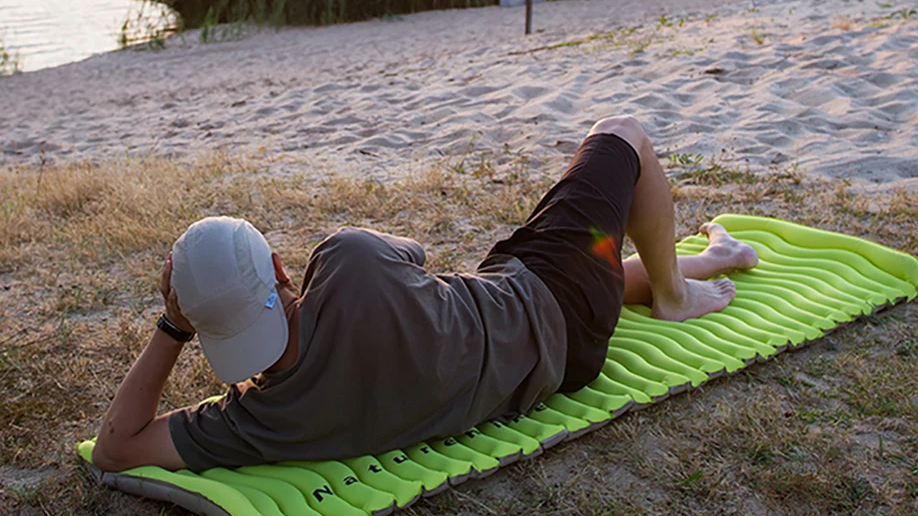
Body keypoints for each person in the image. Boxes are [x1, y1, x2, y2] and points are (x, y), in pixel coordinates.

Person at [91, 115, 758, 474]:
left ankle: (703, 261)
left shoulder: (260, 422)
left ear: (204, 331)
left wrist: (170, 329)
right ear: (279, 269)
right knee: (623, 135)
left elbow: (116, 447)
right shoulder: (347, 262)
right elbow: (415, 259)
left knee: (546, 278)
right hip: (543, 302)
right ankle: (673, 292)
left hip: (560, 358)